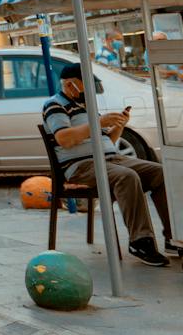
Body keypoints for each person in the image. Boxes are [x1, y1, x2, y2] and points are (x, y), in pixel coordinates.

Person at [43, 62, 171, 267]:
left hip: (111, 158)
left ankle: (172, 236)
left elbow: (106, 142)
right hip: (82, 166)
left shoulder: (86, 105)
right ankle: (140, 241)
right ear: (69, 85)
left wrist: (118, 126)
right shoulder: (54, 105)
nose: (90, 89)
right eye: (85, 84)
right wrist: (98, 123)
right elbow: (64, 139)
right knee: (126, 176)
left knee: (161, 173)